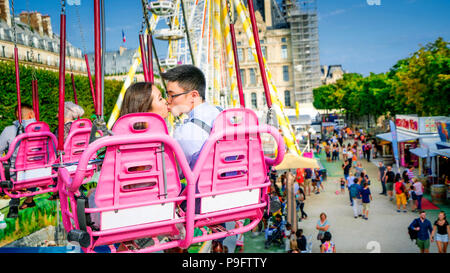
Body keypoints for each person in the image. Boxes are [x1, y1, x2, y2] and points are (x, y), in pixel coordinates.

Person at [162, 64, 221, 169]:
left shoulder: (184, 132)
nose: (168, 100)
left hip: (204, 185)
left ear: (193, 96)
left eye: (172, 95)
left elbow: (175, 173)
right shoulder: (223, 114)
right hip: (237, 182)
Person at [0, 104, 37, 214]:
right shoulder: (42, 130)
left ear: (17, 116)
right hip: (40, 173)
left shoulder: (9, 130)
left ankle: (14, 203)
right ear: (31, 115)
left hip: (16, 175)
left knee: (7, 165)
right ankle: (29, 198)